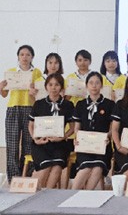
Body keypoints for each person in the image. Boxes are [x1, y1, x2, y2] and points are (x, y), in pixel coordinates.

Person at [0, 45, 43, 180]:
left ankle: (27, 176)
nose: (25, 57)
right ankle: (13, 178)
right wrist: (1, 88)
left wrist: (34, 91)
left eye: (28, 54)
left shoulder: (37, 72)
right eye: (22, 54)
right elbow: (4, 94)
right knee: (12, 145)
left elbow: (39, 95)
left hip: (30, 109)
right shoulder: (11, 72)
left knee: (28, 145)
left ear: (32, 57)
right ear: (18, 57)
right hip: (13, 109)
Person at [28, 73, 75, 188]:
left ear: (62, 87)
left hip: (59, 144)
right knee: (46, 166)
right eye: (50, 85)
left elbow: (73, 127)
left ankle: (47, 193)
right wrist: (35, 138)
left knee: (57, 166)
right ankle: (38, 194)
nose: (53, 88)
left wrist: (63, 137)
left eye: (57, 85)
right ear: (46, 87)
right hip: (41, 143)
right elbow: (31, 125)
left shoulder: (68, 105)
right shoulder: (39, 104)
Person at [72, 72, 115, 190]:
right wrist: (76, 138)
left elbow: (113, 127)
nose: (94, 86)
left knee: (97, 167)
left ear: (101, 85)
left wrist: (108, 136)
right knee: (86, 168)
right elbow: (77, 127)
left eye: (97, 83)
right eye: (91, 83)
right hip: (84, 146)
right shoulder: (80, 105)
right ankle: (72, 194)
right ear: (86, 85)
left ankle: (85, 195)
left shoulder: (110, 104)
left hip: (102, 147)